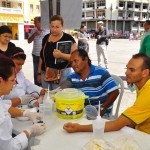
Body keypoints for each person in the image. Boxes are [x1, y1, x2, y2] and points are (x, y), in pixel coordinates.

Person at [63, 53, 150, 134]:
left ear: (145, 73)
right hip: (138, 128)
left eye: (132, 70)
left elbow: (117, 124)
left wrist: (79, 128)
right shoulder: (143, 85)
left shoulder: (148, 93)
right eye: (126, 68)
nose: (126, 73)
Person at [0, 54, 46, 150]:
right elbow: (10, 147)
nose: (14, 84)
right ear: (0, 81)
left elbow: (4, 105)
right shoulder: (1, 117)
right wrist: (29, 131)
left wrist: (26, 113)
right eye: (12, 80)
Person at [67, 49, 119, 117]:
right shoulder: (72, 77)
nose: (73, 65)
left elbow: (115, 92)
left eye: (75, 61)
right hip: (82, 114)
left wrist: (101, 110)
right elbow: (63, 89)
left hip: (102, 115)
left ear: (85, 59)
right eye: (71, 62)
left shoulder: (101, 72)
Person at [37, 15, 77, 90]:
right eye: (52, 26)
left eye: (57, 27)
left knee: (59, 97)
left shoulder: (68, 38)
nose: (54, 29)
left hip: (62, 74)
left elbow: (76, 58)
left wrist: (61, 55)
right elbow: (41, 57)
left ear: (62, 26)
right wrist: (39, 73)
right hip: (45, 73)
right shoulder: (46, 38)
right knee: (47, 96)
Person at [28, 16, 49, 86]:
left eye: (35, 22)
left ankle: (43, 86)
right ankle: (36, 87)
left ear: (40, 22)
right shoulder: (33, 30)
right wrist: (35, 34)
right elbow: (29, 41)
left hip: (44, 56)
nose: (34, 23)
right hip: (35, 54)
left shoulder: (48, 30)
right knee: (36, 73)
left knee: (44, 72)